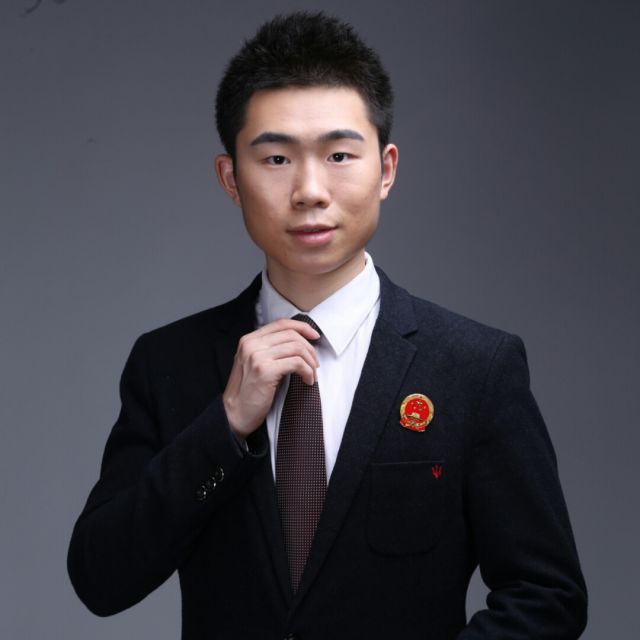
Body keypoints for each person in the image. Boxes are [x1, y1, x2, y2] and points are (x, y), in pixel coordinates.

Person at [68, 11, 587, 640]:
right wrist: (224, 427)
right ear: (231, 179)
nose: (310, 190)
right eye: (276, 158)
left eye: (339, 154)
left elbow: (547, 597)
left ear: (386, 169)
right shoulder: (168, 363)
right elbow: (100, 579)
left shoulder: (475, 366)